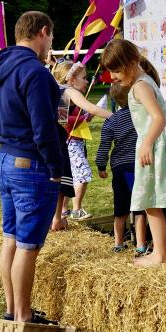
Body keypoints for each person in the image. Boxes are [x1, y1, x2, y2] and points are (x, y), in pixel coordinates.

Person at [0, 11, 63, 324]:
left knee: (10, 239)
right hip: (30, 164)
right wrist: (56, 168)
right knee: (27, 246)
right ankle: (24, 317)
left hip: (4, 159)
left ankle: (12, 309)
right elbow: (44, 128)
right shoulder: (36, 73)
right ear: (42, 32)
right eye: (51, 38)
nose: (50, 45)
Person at [100, 39, 166, 268]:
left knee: (151, 200)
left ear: (130, 63)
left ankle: (159, 255)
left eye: (116, 71)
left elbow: (158, 118)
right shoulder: (141, 81)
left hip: (154, 145)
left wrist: (146, 143)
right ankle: (159, 252)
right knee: (151, 202)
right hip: (154, 143)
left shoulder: (140, 86)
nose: (114, 77)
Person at [51, 61, 112, 221]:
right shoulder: (69, 91)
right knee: (74, 176)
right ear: (72, 79)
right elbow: (92, 108)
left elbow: (61, 120)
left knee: (63, 179)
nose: (87, 81)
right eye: (84, 78)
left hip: (57, 142)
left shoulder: (59, 90)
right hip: (64, 143)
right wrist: (116, 116)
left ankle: (59, 216)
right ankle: (71, 212)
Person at [96, 82, 150, 256]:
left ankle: (118, 243)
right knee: (139, 207)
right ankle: (141, 245)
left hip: (120, 168)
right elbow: (165, 113)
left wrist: (101, 165)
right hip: (137, 167)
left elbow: (104, 145)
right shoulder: (141, 114)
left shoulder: (112, 120)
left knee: (120, 209)